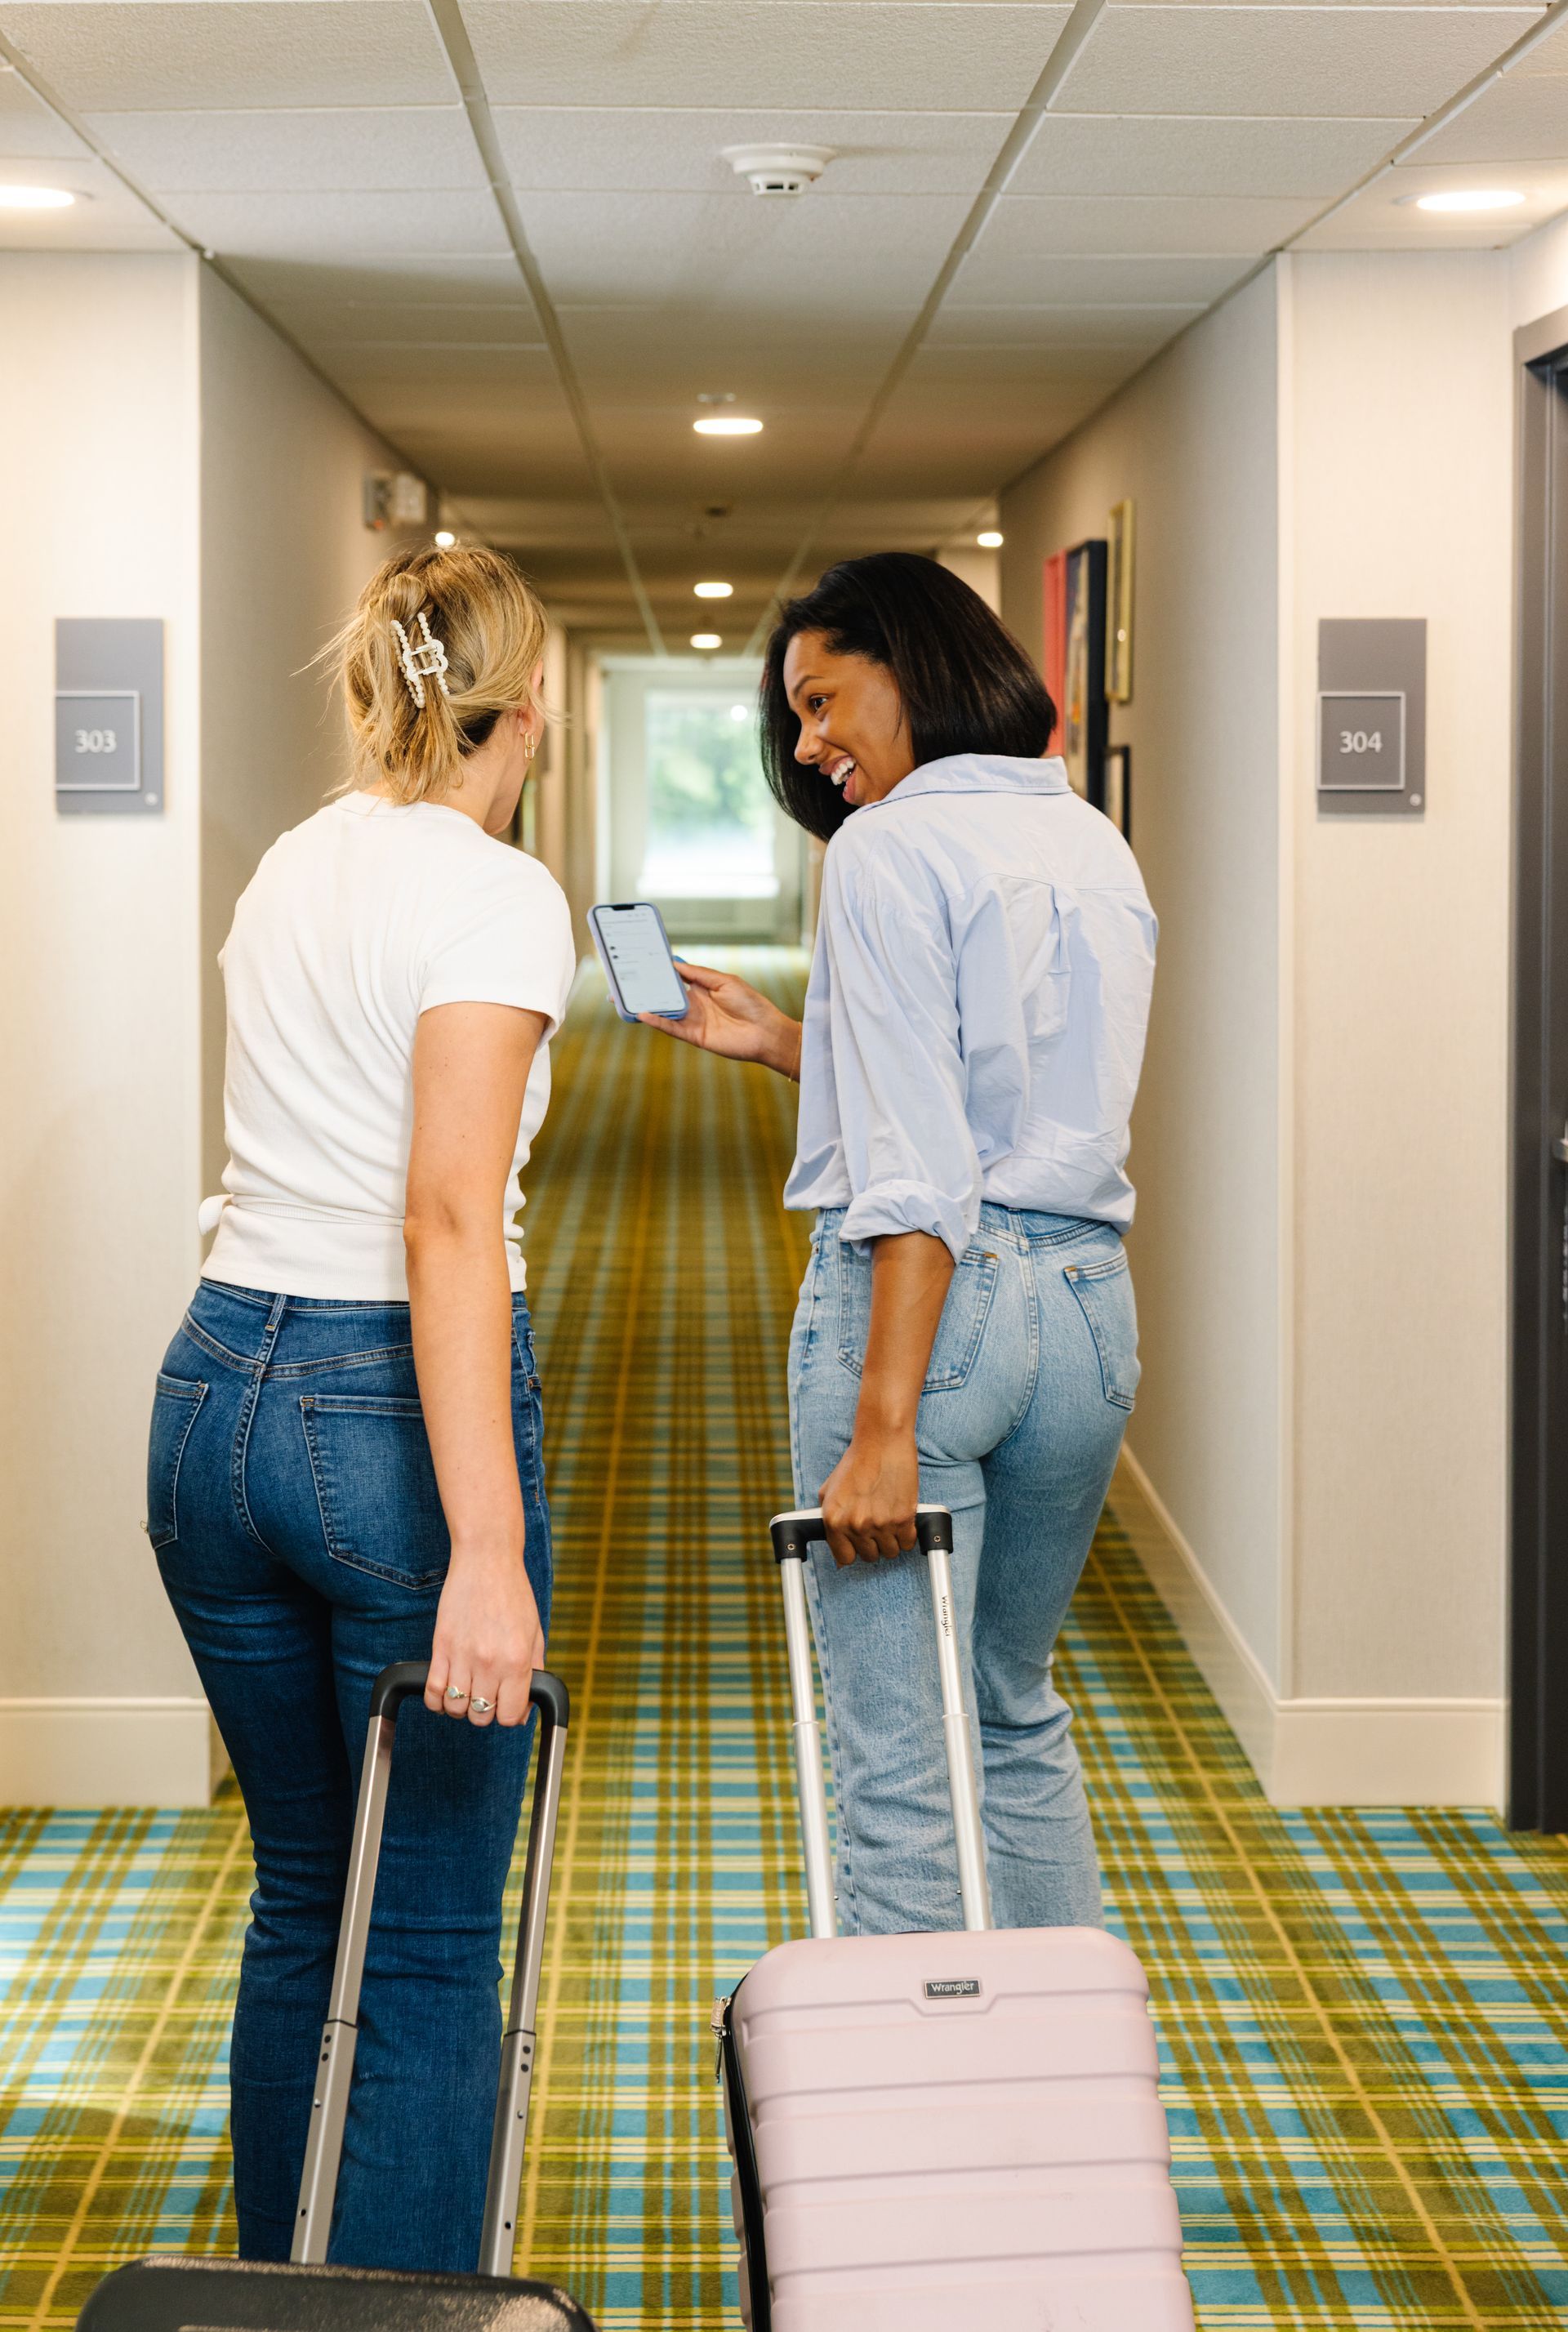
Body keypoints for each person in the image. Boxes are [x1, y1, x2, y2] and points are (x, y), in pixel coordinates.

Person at [145, 545, 577, 2268]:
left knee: (306, 1900)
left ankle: (293, 2302)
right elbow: (448, 1215)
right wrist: (489, 1545)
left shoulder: (289, 870)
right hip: (380, 1418)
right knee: (418, 1941)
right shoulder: (494, 892)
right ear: (523, 711)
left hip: (213, 1396)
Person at [643, 552, 1155, 1936]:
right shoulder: (1088, 837)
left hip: (928, 1326)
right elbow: (1001, 1102)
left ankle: (916, 2138)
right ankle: (1058, 2104)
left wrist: (882, 1426)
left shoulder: (886, 850)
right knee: (1011, 1710)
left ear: (911, 666)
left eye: (822, 704)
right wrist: (782, 1042)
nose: (811, 749)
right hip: (1086, 1316)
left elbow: (926, 1176)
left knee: (898, 1773)